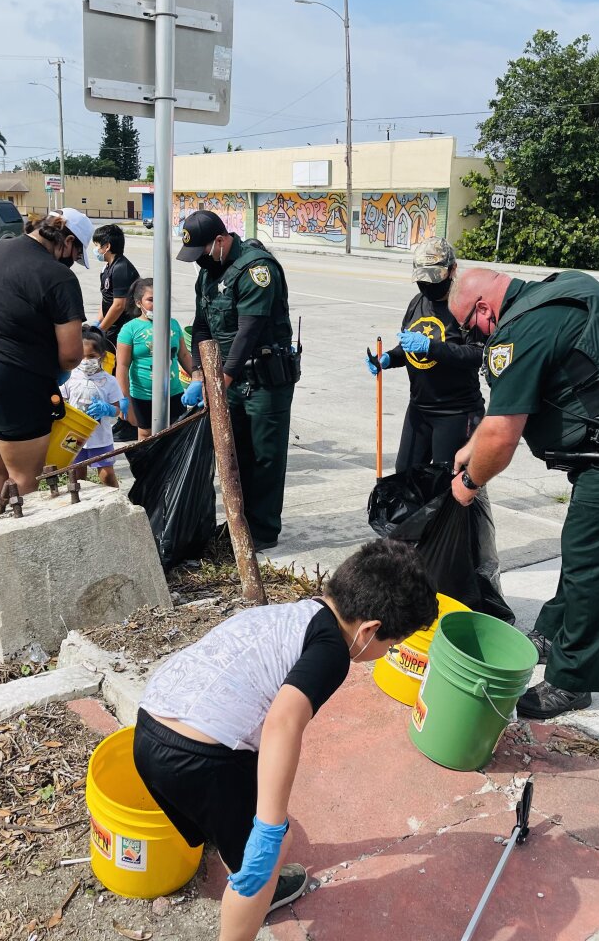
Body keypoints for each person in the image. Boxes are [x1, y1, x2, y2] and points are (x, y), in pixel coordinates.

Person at [133, 538, 437, 941]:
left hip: (149, 728)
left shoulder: (288, 615)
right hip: (198, 758)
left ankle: (253, 870)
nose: (387, 652)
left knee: (243, 826)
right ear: (369, 630)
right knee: (267, 851)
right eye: (392, 645)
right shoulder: (332, 651)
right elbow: (283, 722)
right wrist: (269, 829)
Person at [448, 266, 599, 718]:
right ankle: (555, 632)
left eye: (468, 327)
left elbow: (502, 437)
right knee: (583, 545)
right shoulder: (560, 286)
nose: (471, 336)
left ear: (484, 308)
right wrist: (470, 446)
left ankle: (572, 680)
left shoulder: (519, 334)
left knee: (596, 562)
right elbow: (504, 416)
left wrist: (468, 483)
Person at [0, 208, 91, 505]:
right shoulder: (57, 275)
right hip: (8, 378)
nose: (71, 263)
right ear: (68, 241)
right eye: (75, 255)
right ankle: (13, 552)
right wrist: (59, 370)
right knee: (23, 476)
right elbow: (72, 354)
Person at [178, 210, 298, 551]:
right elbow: (201, 326)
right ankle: (238, 522)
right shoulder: (208, 273)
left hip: (263, 381)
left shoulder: (257, 270)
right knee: (234, 452)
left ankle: (262, 530)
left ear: (220, 240)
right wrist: (200, 372)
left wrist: (222, 379)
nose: (199, 260)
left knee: (264, 457)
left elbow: (248, 331)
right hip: (226, 378)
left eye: (201, 251)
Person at [366, 237, 483, 472]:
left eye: (434, 278)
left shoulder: (467, 306)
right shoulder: (417, 303)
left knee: (446, 483)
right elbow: (409, 348)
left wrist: (431, 347)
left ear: (452, 270)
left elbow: (477, 354)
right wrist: (388, 358)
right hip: (419, 408)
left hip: (455, 411)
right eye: (422, 279)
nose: (428, 285)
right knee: (406, 475)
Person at [115, 278, 194, 440]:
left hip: (174, 393)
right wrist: (125, 400)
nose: (157, 304)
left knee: (177, 436)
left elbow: (184, 355)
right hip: (142, 396)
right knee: (146, 435)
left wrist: (200, 381)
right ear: (138, 303)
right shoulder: (129, 329)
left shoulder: (173, 324)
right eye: (150, 300)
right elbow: (122, 367)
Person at [60, 325, 126, 488]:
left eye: (91, 356)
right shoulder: (69, 377)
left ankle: (116, 503)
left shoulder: (109, 381)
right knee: (76, 474)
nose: (86, 361)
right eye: (82, 357)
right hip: (74, 435)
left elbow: (118, 409)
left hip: (100, 437)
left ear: (101, 356)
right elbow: (61, 400)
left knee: (107, 475)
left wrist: (108, 409)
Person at [92, 223, 140, 346]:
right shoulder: (108, 267)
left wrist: (100, 330)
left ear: (107, 246)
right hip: (111, 325)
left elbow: (119, 305)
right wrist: (97, 323)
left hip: (122, 328)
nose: (95, 249)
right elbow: (106, 298)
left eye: (97, 245)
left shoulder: (121, 268)